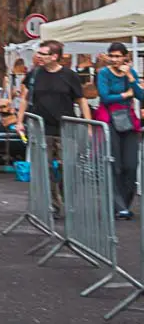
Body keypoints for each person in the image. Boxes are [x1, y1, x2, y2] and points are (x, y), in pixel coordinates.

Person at [17, 39, 91, 214]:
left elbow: (81, 100)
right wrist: (19, 121)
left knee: (69, 167)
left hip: (66, 128)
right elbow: (24, 99)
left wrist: (87, 124)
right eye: (39, 53)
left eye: (43, 54)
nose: (39, 57)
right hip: (43, 129)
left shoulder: (69, 76)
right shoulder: (34, 74)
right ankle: (54, 205)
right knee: (46, 168)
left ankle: (68, 198)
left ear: (54, 56)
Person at [95, 42, 144, 219]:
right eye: (112, 56)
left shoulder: (130, 73)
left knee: (131, 165)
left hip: (129, 121)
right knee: (115, 165)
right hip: (110, 121)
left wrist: (131, 78)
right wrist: (125, 95)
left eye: (118, 56)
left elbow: (141, 95)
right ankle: (119, 205)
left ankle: (125, 202)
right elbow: (105, 96)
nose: (115, 60)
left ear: (125, 57)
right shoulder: (103, 74)